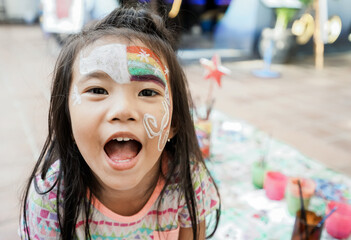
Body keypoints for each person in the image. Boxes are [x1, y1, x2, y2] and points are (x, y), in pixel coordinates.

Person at [20, 5, 220, 240]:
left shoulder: (187, 180)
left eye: (147, 92)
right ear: (67, 119)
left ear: (173, 123)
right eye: (97, 90)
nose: (123, 110)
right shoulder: (50, 199)